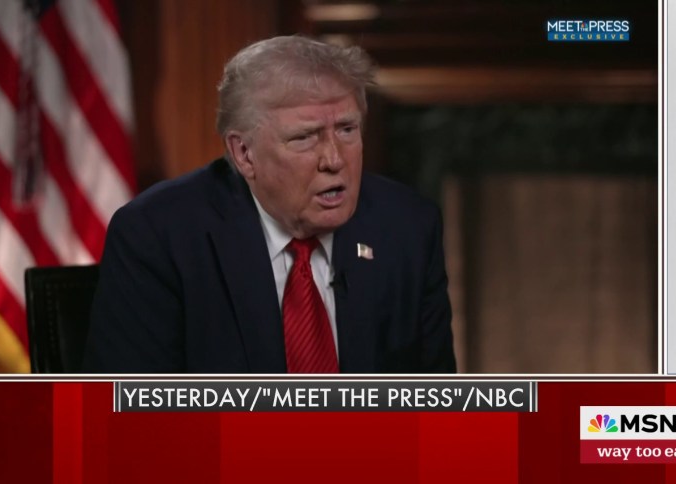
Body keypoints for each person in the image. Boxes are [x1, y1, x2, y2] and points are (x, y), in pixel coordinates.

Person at [83, 36, 456, 373]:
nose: (334, 159)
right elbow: (131, 410)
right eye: (305, 137)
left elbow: (435, 404)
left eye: (347, 129)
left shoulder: (407, 227)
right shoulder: (159, 237)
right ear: (244, 153)